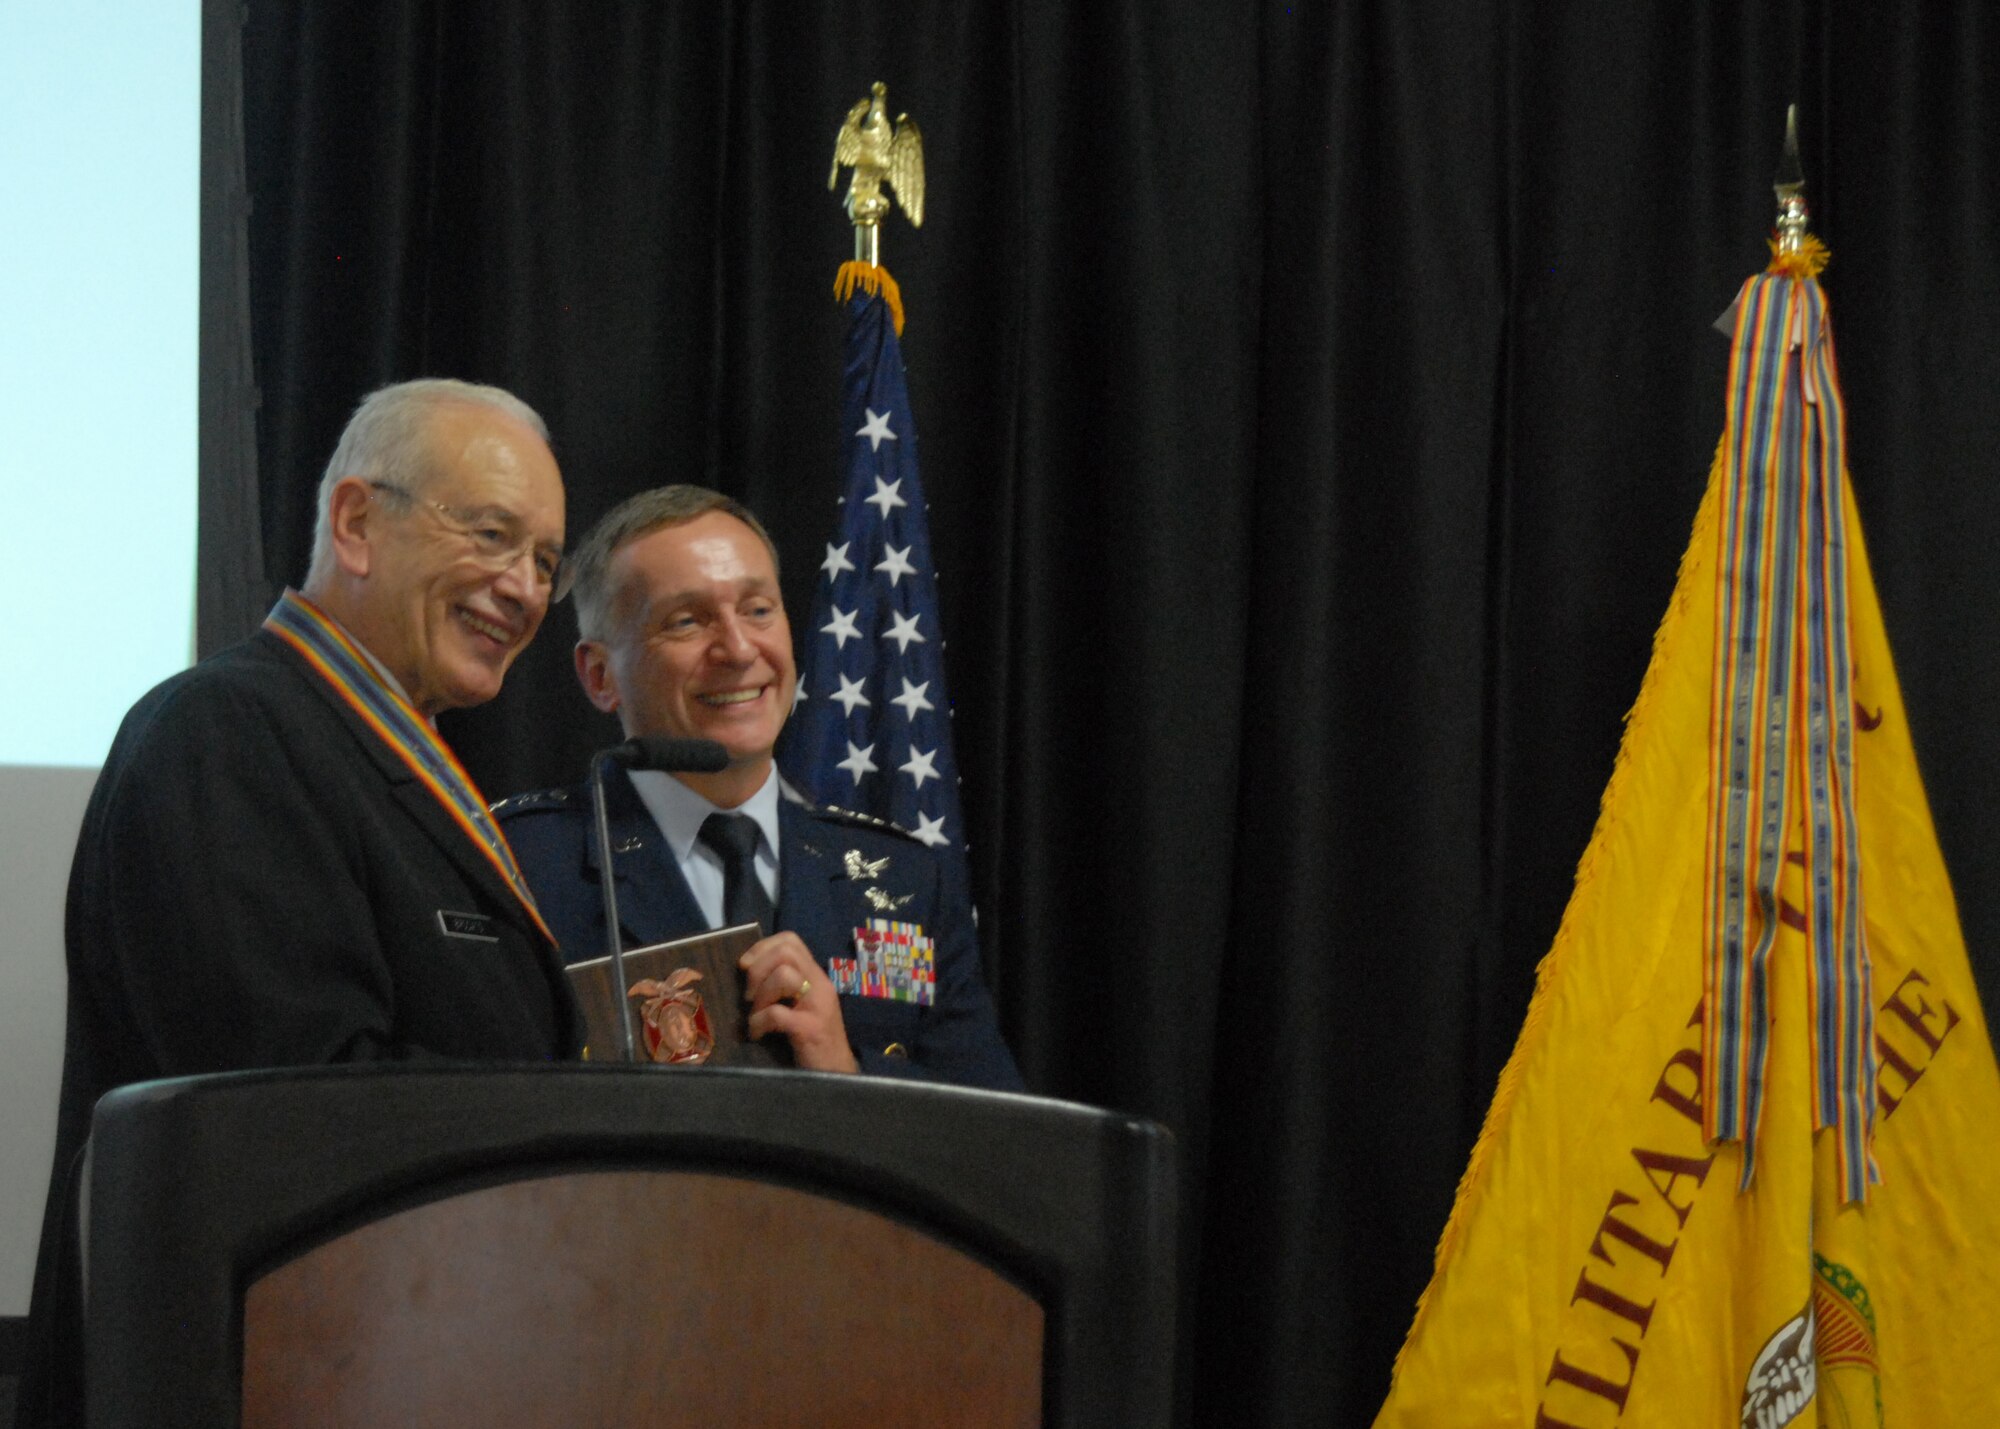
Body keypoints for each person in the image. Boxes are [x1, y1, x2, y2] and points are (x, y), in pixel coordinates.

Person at [15, 379, 585, 1429]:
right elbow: (296, 1109)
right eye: (492, 534)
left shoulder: (391, 756)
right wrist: (593, 1124)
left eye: (545, 560)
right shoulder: (225, 731)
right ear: (357, 522)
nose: (522, 587)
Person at [497, 485, 1023, 1091]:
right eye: (687, 620)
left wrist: (845, 1070)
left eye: (757, 609)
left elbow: (997, 1137)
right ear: (599, 675)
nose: (740, 649)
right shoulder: (523, 866)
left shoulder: (900, 878)